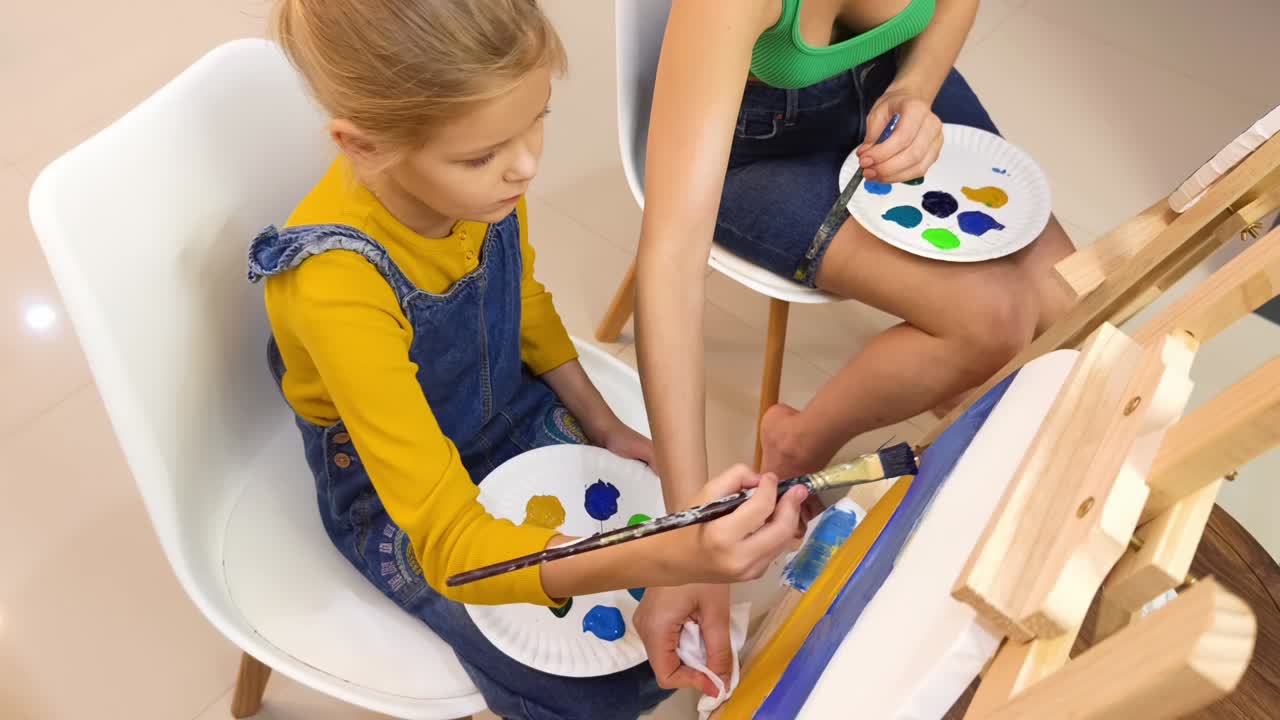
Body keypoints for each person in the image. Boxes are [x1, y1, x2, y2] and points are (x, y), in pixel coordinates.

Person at [249, 1, 808, 716]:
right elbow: (452, 546)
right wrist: (672, 555)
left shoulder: (484, 186)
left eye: (537, 116)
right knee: (590, 691)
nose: (525, 166)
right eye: (481, 154)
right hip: (396, 496)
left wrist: (605, 427)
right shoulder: (334, 284)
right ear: (361, 145)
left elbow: (527, 307)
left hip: (509, 404)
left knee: (652, 609)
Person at [632, 0, 1077, 695]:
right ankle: (800, 443)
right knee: (993, 320)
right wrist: (687, 539)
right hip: (762, 151)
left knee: (1064, 315)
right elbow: (670, 259)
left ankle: (813, 444)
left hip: (893, 86)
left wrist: (919, 86)